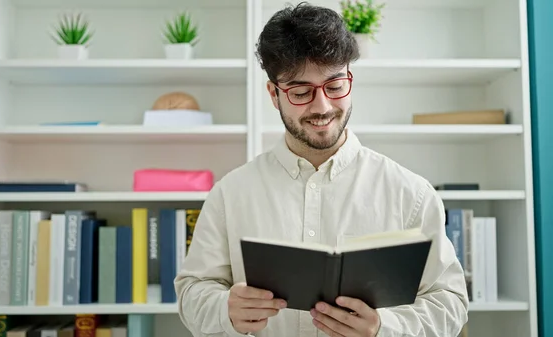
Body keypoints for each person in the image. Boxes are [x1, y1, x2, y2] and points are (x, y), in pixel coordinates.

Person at [174, 2, 469, 336]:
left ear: (350, 81)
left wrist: (383, 328)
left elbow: (450, 302)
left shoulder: (411, 194)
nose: (323, 107)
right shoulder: (231, 194)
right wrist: (223, 309)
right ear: (274, 94)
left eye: (334, 86)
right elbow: (191, 292)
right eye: (301, 92)